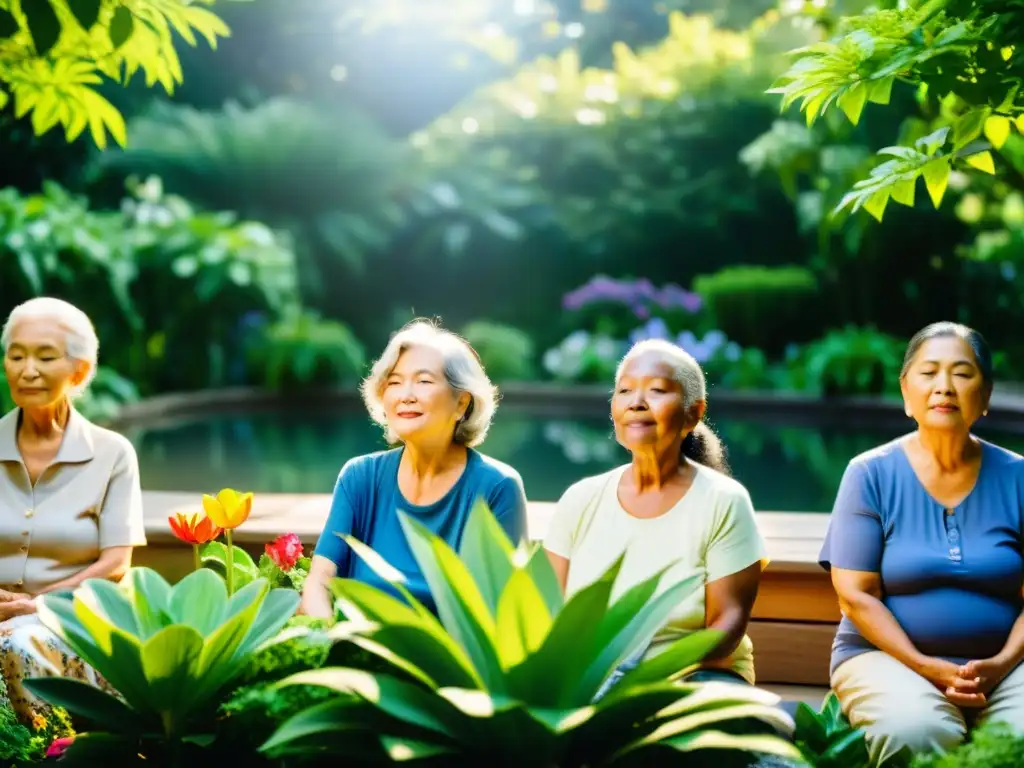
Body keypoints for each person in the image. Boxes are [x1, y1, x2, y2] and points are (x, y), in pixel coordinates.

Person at [820, 322, 1024, 763]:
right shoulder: (868, 474)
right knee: (917, 733)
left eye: (963, 374)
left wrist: (1003, 663)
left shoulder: (1019, 477)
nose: (944, 387)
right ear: (906, 392)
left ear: (986, 396)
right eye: (929, 373)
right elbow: (856, 595)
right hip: (886, 659)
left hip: (1008, 664)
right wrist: (926, 666)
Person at [544, 339, 768, 687]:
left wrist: (636, 682)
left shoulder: (723, 501)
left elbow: (726, 626)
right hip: (591, 681)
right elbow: (548, 611)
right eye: (625, 390)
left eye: (657, 390)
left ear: (694, 412)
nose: (636, 403)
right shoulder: (580, 499)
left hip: (699, 676)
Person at [301, 320, 529, 618]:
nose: (405, 394)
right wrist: (325, 639)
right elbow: (319, 582)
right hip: (351, 654)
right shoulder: (359, 478)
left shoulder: (498, 488)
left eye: (423, 381)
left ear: (461, 403)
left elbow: (500, 613)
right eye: (394, 382)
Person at [0, 297, 146, 721]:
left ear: (79, 370)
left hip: (74, 617)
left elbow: (117, 564)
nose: (28, 369)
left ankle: (47, 750)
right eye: (16, 355)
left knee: (17, 643)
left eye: (45, 356)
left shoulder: (112, 453)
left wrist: (38, 604)